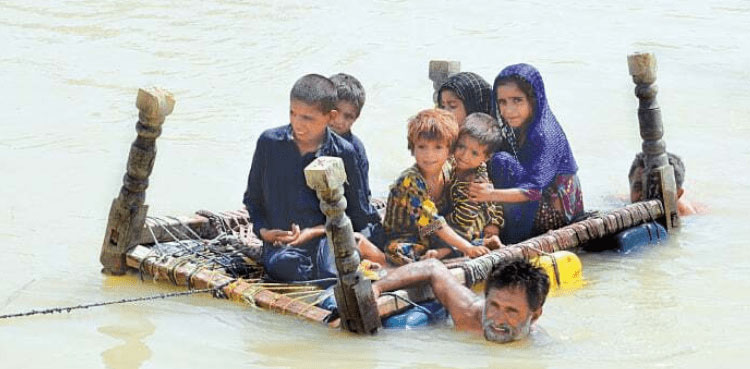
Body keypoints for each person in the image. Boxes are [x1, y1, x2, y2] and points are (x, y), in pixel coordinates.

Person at [243, 74, 384, 285]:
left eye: (307, 118)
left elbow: (355, 213)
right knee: (283, 266)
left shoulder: (344, 151)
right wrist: (265, 232)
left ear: (330, 116)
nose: (298, 124)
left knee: (331, 274)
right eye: (293, 113)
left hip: (325, 234)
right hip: (284, 242)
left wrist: (312, 232)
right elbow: (253, 199)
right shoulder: (269, 143)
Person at [469, 64, 584, 243]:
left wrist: (491, 194)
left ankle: (512, 240)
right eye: (502, 102)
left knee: (501, 162)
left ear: (534, 99)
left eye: (517, 100)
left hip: (555, 213)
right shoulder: (519, 126)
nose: (508, 110)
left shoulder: (544, 132)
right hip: (535, 200)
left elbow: (534, 191)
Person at [383, 109, 492, 265]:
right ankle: (450, 250)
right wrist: (467, 247)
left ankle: (447, 249)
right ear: (413, 148)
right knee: (398, 251)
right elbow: (433, 223)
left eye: (438, 147)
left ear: (450, 150)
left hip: (434, 231)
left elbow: (480, 166)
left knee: (475, 213)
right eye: (422, 147)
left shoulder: (448, 167)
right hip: (411, 234)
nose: (429, 155)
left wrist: (491, 220)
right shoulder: (410, 181)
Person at [372, 258, 549, 343]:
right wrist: (377, 287)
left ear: (534, 316)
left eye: (511, 311)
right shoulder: (469, 313)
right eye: (494, 305)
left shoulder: (537, 345)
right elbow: (432, 267)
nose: (498, 319)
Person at [446, 112, 505, 245]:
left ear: (486, 157)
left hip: (469, 224)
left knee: (429, 231)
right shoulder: (452, 162)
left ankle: (484, 242)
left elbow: (464, 219)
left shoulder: (473, 184)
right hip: (468, 216)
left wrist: (494, 223)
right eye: (461, 146)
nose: (464, 156)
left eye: (474, 153)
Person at [628, 152, 699, 216]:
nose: (646, 197)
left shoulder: (689, 215)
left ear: (678, 194)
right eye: (638, 187)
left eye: (657, 189)